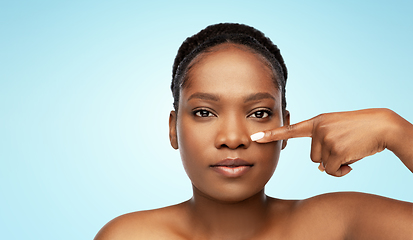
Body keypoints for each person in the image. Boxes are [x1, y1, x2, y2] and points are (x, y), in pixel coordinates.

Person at [94, 23, 413, 240]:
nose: (232, 138)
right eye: (204, 112)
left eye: (259, 113)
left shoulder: (338, 223)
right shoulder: (130, 235)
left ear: (285, 127)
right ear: (173, 130)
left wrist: (395, 131)